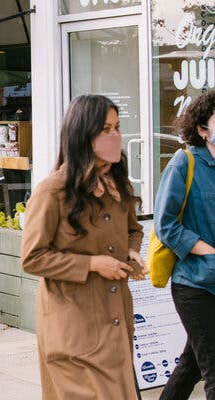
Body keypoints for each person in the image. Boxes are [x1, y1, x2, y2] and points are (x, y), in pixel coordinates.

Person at [21, 94, 145, 399]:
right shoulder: (52, 191)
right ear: (83, 135)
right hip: (73, 326)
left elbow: (134, 229)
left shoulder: (118, 184)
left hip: (114, 318)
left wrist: (131, 252)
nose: (115, 136)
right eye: (106, 129)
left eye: (117, 127)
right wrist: (92, 264)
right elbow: (32, 258)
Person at [155, 92, 215, 400]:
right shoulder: (185, 162)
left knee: (190, 365)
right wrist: (206, 249)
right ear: (203, 129)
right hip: (194, 283)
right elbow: (165, 225)